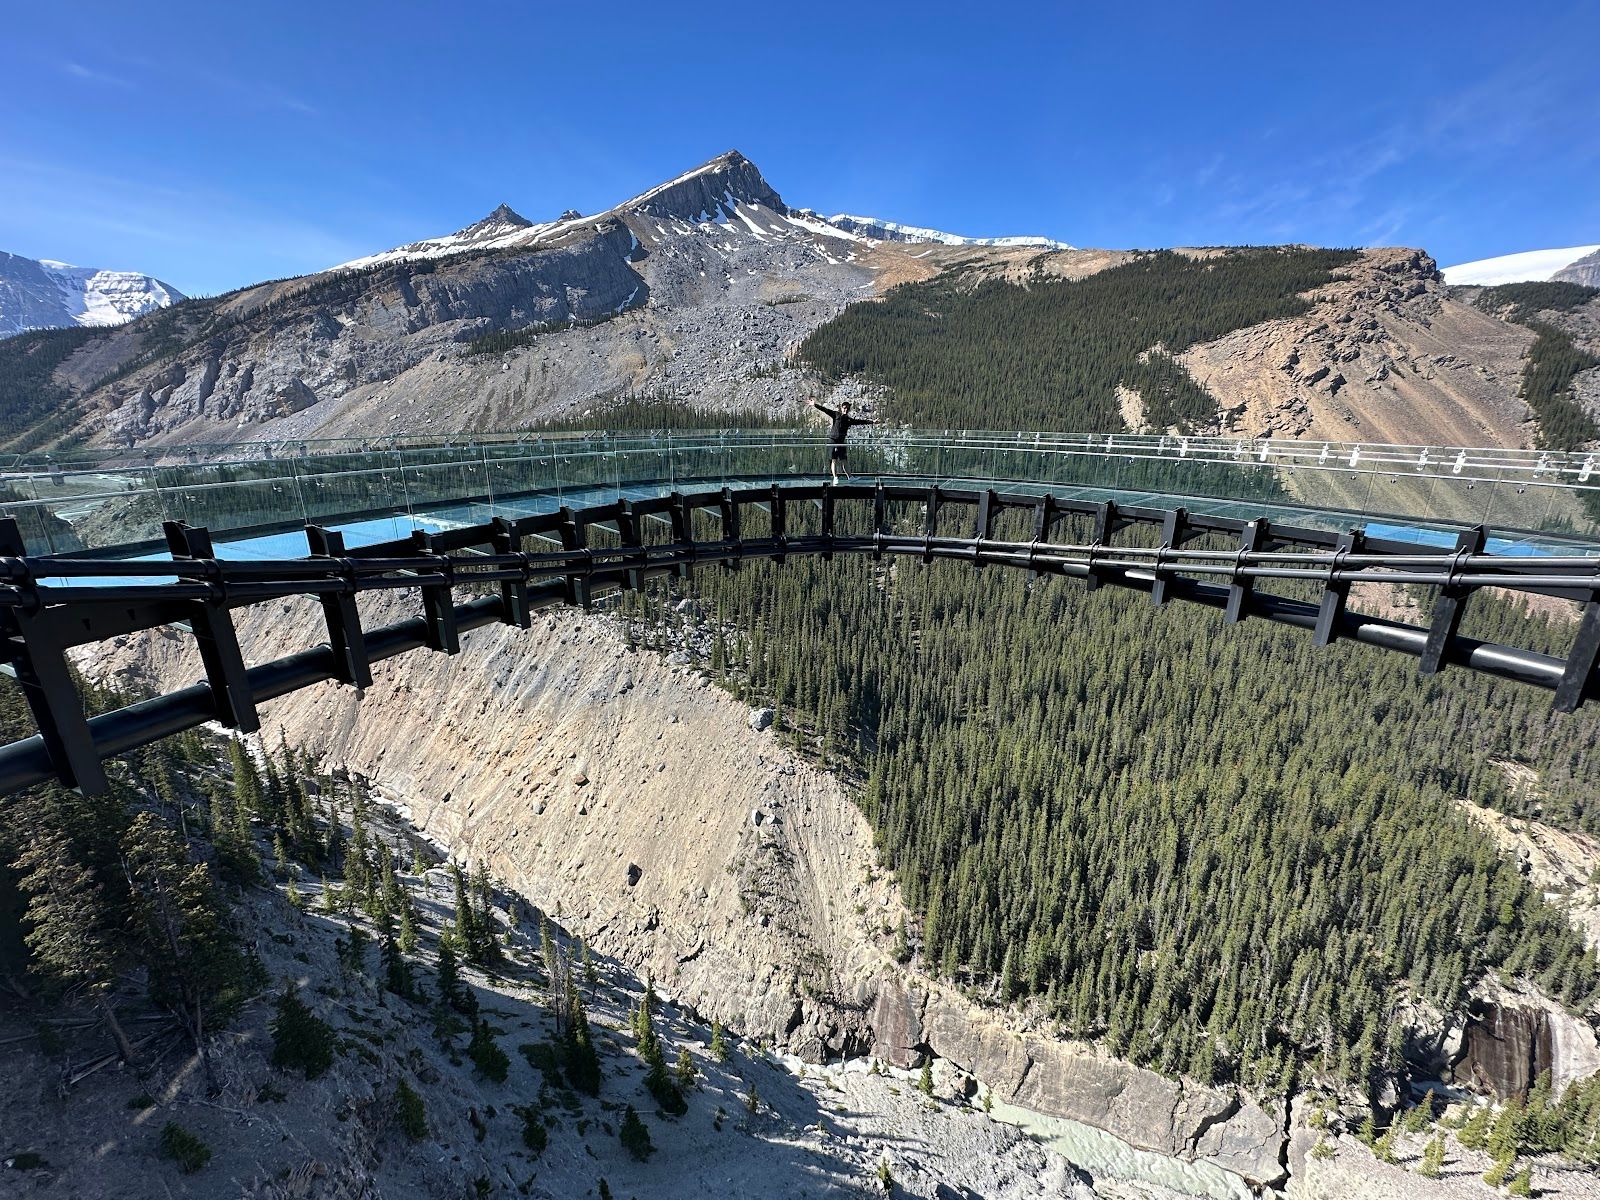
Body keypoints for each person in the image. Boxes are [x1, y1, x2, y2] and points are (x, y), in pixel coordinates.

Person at [810, 399, 876, 483]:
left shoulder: (849, 420)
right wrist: (815, 405)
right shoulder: (836, 414)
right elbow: (825, 410)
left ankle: (850, 477)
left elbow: (860, 421)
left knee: (844, 460)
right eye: (844, 408)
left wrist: (872, 422)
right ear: (841, 408)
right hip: (833, 440)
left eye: (847, 408)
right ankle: (835, 478)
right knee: (834, 460)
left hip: (841, 442)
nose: (846, 409)